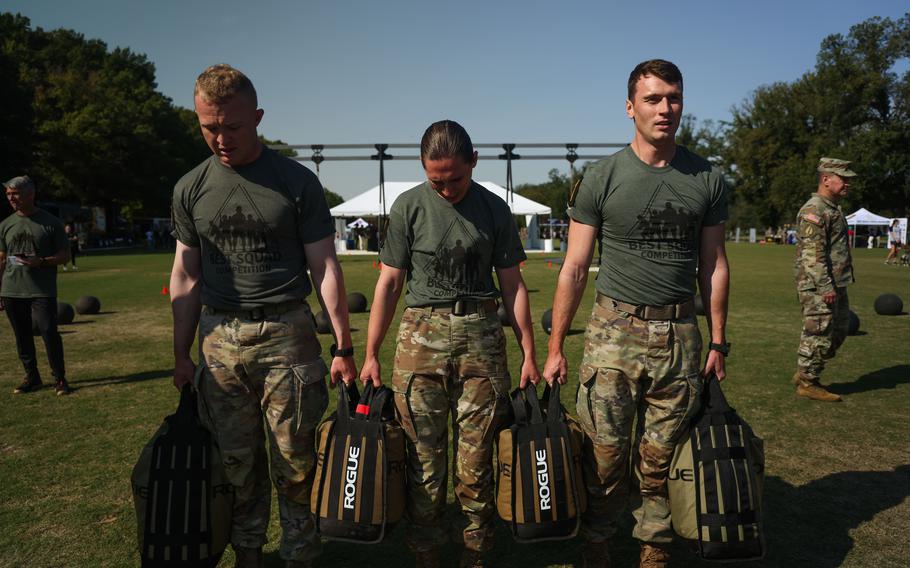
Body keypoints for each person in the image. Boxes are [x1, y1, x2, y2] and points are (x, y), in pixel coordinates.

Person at [542, 59, 730, 568]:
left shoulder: (708, 178)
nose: (664, 108)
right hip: (612, 334)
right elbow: (575, 267)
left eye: (673, 97)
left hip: (680, 336)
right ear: (630, 107)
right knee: (604, 458)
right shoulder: (601, 178)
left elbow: (713, 264)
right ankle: (598, 546)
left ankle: (654, 551)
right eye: (652, 99)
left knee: (663, 458)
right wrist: (556, 347)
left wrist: (717, 341)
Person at [169, 64, 357, 568]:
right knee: (237, 464)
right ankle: (248, 554)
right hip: (219, 338)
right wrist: (180, 354)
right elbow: (185, 276)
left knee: (296, 462)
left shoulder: (295, 182)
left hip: (287, 335)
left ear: (257, 117)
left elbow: (325, 265)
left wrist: (342, 344)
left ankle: (300, 555)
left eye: (233, 126)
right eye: (209, 127)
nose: (222, 138)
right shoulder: (190, 187)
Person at [359, 120, 539, 568]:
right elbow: (388, 285)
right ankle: (427, 556)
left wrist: (531, 353)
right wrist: (369, 354)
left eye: (454, 179)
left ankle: (475, 555)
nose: (445, 190)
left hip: (481, 337)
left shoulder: (494, 209)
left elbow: (513, 285)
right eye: (434, 180)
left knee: (476, 461)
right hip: (420, 340)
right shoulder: (408, 207)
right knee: (423, 459)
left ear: (473, 162)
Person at [792, 158, 856, 402]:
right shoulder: (814, 210)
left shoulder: (832, 208)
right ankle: (808, 381)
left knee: (838, 331)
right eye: (843, 179)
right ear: (825, 179)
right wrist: (825, 285)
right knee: (818, 331)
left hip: (836, 282)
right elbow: (812, 255)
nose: (848, 184)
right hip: (818, 285)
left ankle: (805, 371)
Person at [0, 176, 72, 395]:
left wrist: (40, 262)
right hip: (12, 289)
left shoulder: (51, 223)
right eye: (8, 194)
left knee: (49, 331)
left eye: (15, 193)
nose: (11, 198)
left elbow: (65, 255)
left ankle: (60, 378)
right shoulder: (5, 224)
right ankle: (32, 377)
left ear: (31, 194)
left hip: (41, 289)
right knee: (22, 335)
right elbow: (2, 258)